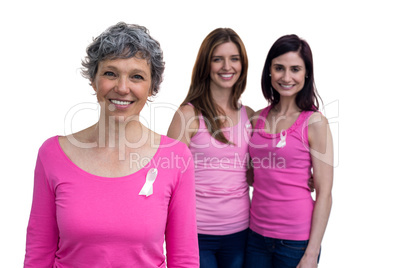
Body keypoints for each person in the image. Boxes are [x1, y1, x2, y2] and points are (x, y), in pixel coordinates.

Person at [24, 22, 199, 267]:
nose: (122, 88)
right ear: (94, 80)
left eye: (137, 76)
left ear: (152, 88)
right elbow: (38, 253)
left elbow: (184, 259)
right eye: (110, 73)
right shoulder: (52, 154)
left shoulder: (177, 158)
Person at [245, 34, 333, 268]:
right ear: (269, 72)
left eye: (295, 69)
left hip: (296, 243)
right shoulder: (256, 119)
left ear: (306, 73)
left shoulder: (314, 122)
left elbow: (324, 193)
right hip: (255, 236)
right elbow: (253, 175)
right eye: (279, 68)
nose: (286, 77)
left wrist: (311, 254)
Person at [167, 28, 253, 268]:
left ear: (243, 64)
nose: (227, 66)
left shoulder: (251, 116)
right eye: (218, 59)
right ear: (206, 64)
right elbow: (169, 177)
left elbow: (254, 173)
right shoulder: (188, 114)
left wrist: (298, 176)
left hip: (241, 232)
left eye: (234, 58)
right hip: (196, 234)